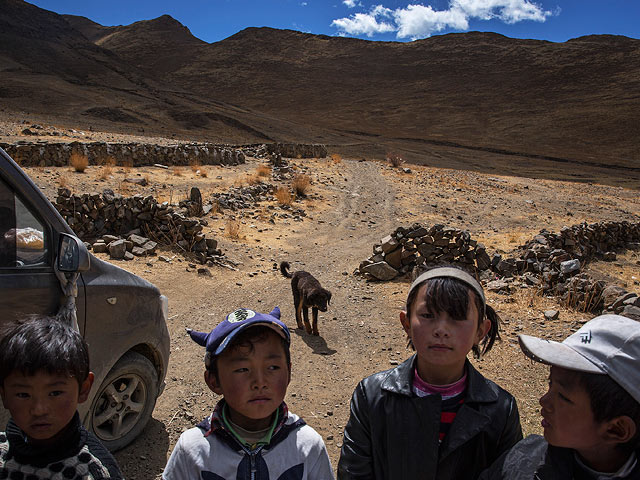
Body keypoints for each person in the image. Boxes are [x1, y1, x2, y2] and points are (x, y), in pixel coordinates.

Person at [338, 266, 523, 479]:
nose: (441, 329)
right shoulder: (371, 396)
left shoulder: (501, 409)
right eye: (427, 315)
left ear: (481, 331)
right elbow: (353, 473)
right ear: (406, 323)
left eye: (457, 317)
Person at [163, 306, 335, 480]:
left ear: (289, 373)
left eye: (273, 367)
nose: (260, 382)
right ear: (214, 381)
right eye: (242, 369)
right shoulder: (192, 450)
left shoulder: (308, 446)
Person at [479, 314, 640, 479]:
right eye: (550, 385)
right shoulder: (519, 463)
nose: (543, 401)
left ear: (617, 429)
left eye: (563, 397)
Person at [0, 316, 123, 479]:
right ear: (4, 395)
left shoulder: (93, 470)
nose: (39, 410)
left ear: (84, 389)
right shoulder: (2, 450)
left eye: (55, 393)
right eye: (23, 395)